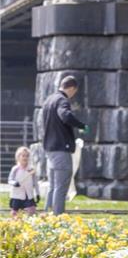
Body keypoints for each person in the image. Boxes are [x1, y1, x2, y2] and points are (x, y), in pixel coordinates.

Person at [41, 75, 87, 215]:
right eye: (74, 92)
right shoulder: (62, 100)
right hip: (61, 149)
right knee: (61, 187)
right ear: (72, 88)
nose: (73, 95)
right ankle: (57, 219)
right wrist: (81, 125)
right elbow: (65, 115)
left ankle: (47, 217)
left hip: (49, 149)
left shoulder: (49, 100)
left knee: (53, 186)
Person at [8, 146, 40, 217]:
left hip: (28, 195)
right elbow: (10, 180)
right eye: (23, 156)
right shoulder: (15, 169)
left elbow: (35, 183)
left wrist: (37, 194)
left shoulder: (31, 169)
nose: (25, 157)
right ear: (18, 157)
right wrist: (14, 183)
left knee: (31, 211)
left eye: (27, 156)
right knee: (15, 213)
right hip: (17, 195)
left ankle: (29, 222)